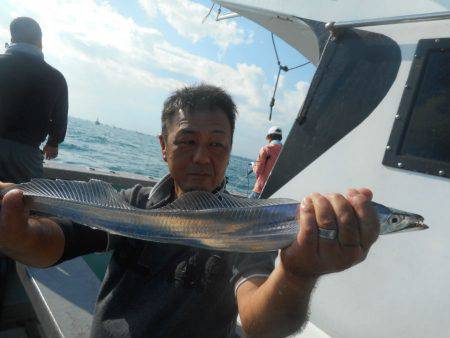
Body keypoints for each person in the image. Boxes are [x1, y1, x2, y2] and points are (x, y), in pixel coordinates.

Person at [0, 84, 380, 338]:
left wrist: (297, 274)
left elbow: (260, 321)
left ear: (230, 151)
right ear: (163, 146)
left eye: (217, 144)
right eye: (187, 141)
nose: (202, 157)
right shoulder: (133, 204)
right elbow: (51, 243)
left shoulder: (246, 227)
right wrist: (16, 234)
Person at [0, 17, 68, 183]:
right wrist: (53, 142)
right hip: (26, 156)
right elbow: (60, 118)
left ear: (12, 39)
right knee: (21, 203)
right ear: (40, 41)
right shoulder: (56, 78)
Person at [249, 126, 283, 199]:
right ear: (280, 137)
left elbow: (258, 170)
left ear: (269, 137)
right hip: (275, 192)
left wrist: (253, 166)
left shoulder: (266, 149)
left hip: (260, 190)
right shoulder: (285, 151)